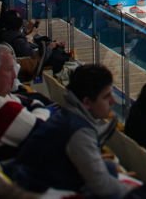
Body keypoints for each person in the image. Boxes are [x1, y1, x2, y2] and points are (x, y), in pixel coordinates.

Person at [13, 64, 134, 197]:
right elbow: (102, 186)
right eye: (106, 96)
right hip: (36, 190)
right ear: (87, 102)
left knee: (109, 168)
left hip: (29, 178)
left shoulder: (66, 115)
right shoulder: (80, 132)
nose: (113, 101)